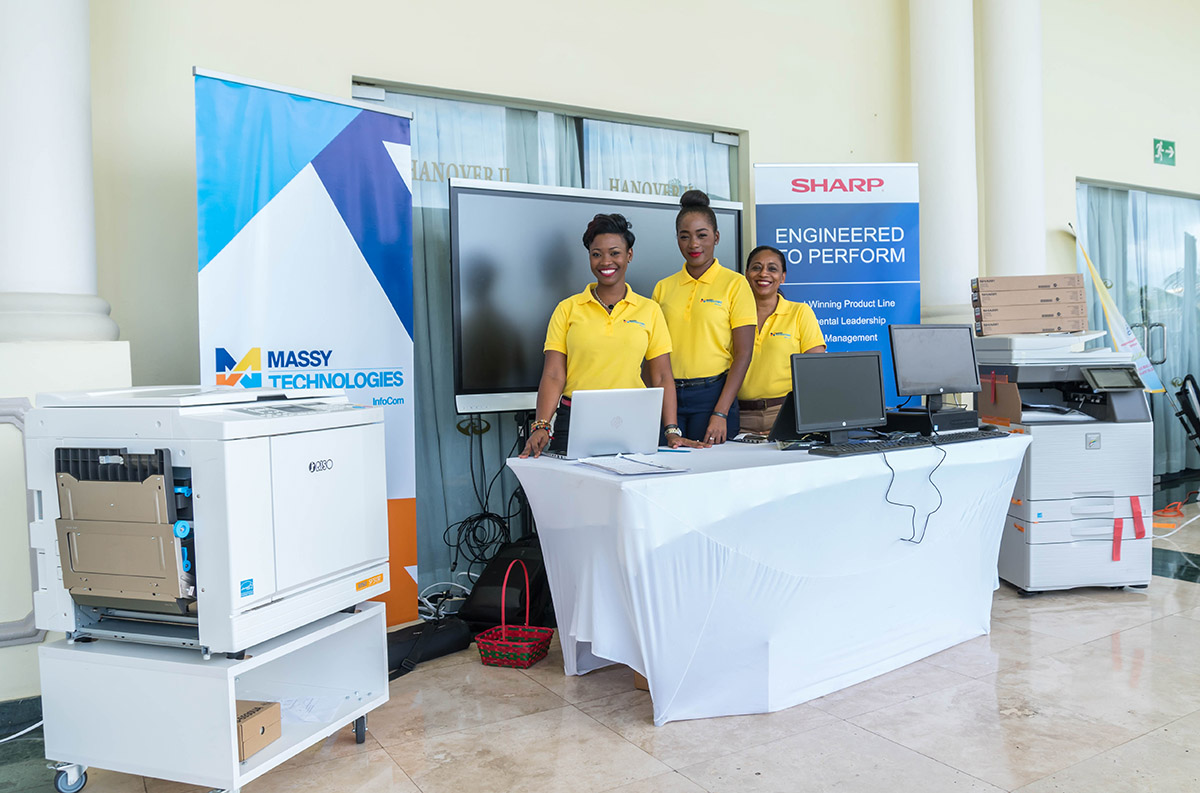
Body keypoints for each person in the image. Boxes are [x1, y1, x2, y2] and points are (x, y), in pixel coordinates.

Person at [520, 213, 694, 458]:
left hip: (632, 419)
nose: (605, 262)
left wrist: (671, 429)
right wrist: (542, 425)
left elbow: (662, 375)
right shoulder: (567, 309)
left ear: (629, 255)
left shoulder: (650, 310)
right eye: (596, 254)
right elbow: (553, 374)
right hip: (576, 420)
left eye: (615, 253)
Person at [651, 190, 755, 444]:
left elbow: (743, 354)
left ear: (716, 237)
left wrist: (721, 413)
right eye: (684, 236)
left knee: (709, 465)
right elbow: (652, 354)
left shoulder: (735, 284)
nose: (693, 244)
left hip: (713, 397)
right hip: (668, 396)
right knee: (666, 464)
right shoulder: (663, 288)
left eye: (702, 235)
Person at [737, 245, 827, 434]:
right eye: (756, 267)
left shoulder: (800, 313)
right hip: (737, 416)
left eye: (772, 268)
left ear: (783, 277)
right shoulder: (732, 314)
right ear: (746, 274)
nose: (763, 273)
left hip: (784, 415)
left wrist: (795, 422)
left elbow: (816, 371)